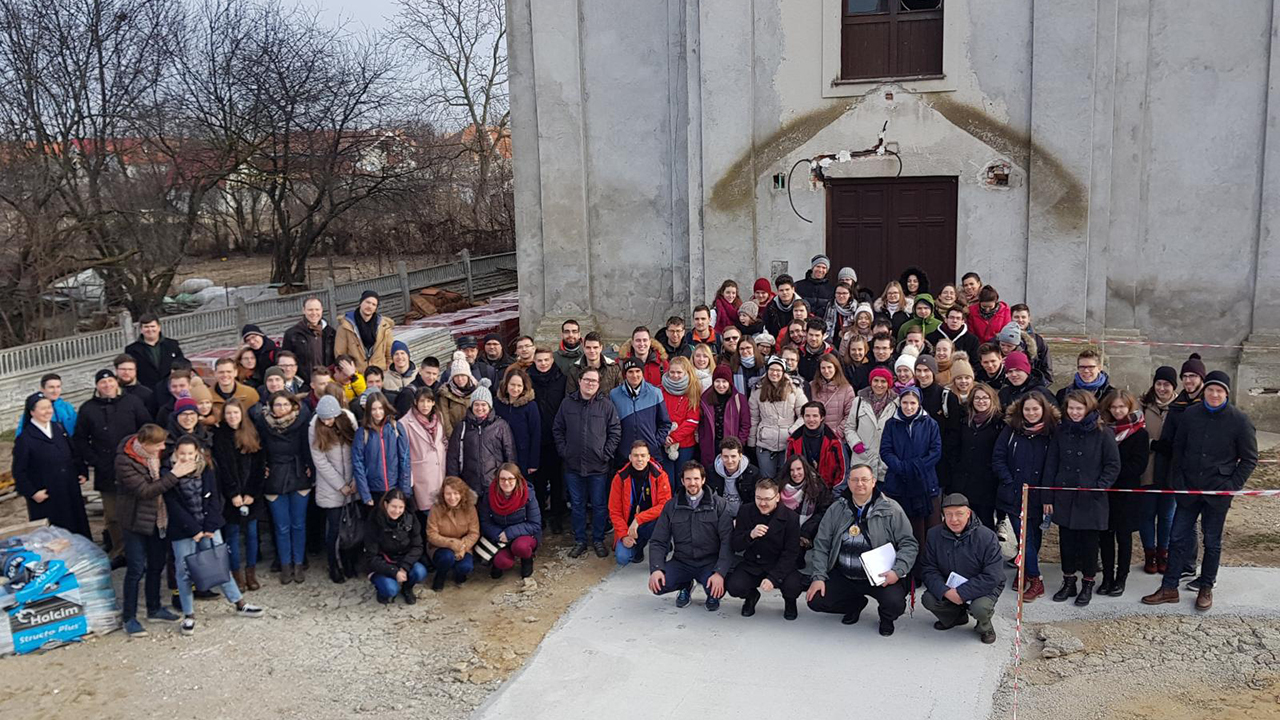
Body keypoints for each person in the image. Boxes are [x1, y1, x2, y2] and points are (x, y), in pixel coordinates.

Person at [1143, 371, 1257, 611]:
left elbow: (1248, 459)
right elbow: (1178, 449)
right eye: (1211, 390)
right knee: (1177, 537)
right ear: (1204, 391)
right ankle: (1169, 587)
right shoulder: (1191, 415)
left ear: (1226, 393)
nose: (1214, 394)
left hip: (1218, 492)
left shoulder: (1240, 420)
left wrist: (1231, 486)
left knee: (1212, 541)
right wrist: (1179, 481)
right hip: (1189, 489)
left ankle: (1206, 586)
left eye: (1219, 391)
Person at [164, 435, 265, 634]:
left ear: (197, 453)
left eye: (190, 453)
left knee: (219, 565)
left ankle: (239, 603)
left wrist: (209, 525)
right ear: (176, 453)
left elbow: (213, 498)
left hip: (209, 525)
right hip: (184, 530)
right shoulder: (168, 473)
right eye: (182, 453)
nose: (185, 457)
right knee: (183, 571)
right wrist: (194, 530)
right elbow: (173, 505)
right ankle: (188, 614)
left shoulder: (206, 469)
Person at [804, 464, 917, 636]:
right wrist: (818, 576)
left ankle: (886, 618)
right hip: (844, 574)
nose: (860, 484)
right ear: (848, 483)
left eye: (864, 479)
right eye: (855, 480)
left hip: (879, 577)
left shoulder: (891, 509)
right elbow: (822, 544)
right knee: (816, 600)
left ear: (873, 482)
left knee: (895, 604)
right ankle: (854, 605)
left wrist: (897, 570)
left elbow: (909, 543)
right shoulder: (837, 509)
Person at [1045, 390, 1121, 607]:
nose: (1075, 412)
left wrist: (1099, 487)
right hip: (1065, 496)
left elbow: (1112, 464)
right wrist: (1048, 496)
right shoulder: (1061, 431)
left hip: (1091, 499)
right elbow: (1052, 464)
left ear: (1088, 408)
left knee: (1089, 545)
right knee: (1066, 543)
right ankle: (1069, 581)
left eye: (1079, 408)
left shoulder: (1103, 432)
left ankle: (1088, 583)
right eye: (1071, 408)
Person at [74, 369, 151, 563]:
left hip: (135, 467)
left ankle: (145, 549)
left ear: (116, 383)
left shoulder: (132, 402)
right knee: (113, 515)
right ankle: (120, 551)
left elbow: (147, 429)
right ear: (97, 386)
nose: (107, 385)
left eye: (110, 381)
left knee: (140, 510)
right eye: (102, 382)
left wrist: (141, 456)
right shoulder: (87, 408)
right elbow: (81, 440)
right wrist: (95, 461)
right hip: (106, 470)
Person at [115, 425, 185, 636]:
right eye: (159, 444)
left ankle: (154, 608)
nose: (163, 448)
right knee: (136, 569)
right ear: (145, 444)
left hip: (158, 518)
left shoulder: (156, 455)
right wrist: (175, 475)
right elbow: (145, 491)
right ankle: (129, 617)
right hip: (135, 520)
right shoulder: (124, 461)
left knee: (157, 564)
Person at [991, 393, 1059, 602]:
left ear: (1043, 410)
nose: (1031, 413)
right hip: (1013, 494)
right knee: (1025, 538)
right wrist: (1009, 481)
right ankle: (1036, 580)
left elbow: (1054, 464)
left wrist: (1048, 494)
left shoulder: (1052, 432)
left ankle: (1026, 571)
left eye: (1035, 409)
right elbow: (998, 457)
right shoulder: (1011, 430)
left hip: (1039, 495)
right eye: (1027, 409)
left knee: (1034, 537)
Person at [553, 367, 622, 558]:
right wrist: (564, 451)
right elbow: (557, 429)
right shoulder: (567, 404)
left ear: (599, 385)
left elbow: (615, 431)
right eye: (587, 380)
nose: (590, 384)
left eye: (594, 381)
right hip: (573, 466)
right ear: (580, 381)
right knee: (577, 504)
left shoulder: (606, 405)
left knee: (599, 505)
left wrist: (606, 453)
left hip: (598, 466)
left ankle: (598, 540)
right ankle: (580, 540)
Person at [647, 461, 734, 611]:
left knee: (718, 589)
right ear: (682, 481)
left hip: (709, 562)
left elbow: (728, 541)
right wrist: (656, 569)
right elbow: (658, 541)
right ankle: (685, 585)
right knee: (658, 586)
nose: (692, 483)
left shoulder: (719, 504)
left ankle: (711, 591)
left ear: (703, 480)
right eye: (688, 479)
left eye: (696, 479)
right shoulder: (671, 506)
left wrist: (719, 572)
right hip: (682, 561)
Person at [920, 494, 1004, 644]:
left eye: (959, 514)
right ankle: (955, 617)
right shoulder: (934, 535)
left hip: (983, 587)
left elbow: (993, 575)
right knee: (929, 599)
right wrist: (945, 591)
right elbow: (928, 568)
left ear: (968, 513)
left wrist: (962, 593)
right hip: (950, 585)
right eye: (948, 514)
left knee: (980, 608)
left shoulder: (987, 536)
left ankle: (985, 627)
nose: (954, 520)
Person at [250, 390, 314, 584]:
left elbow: (307, 447)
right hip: (275, 477)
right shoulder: (262, 423)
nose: (282, 409)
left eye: (285, 404)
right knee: (281, 526)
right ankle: (285, 565)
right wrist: (263, 468)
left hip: (298, 474)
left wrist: (309, 468)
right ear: (270, 407)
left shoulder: (302, 421)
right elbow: (258, 450)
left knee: (299, 524)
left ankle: (298, 563)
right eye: (277, 405)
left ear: (293, 405)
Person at [879, 386, 943, 573]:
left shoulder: (930, 423)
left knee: (924, 530)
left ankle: (922, 568)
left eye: (912, 403)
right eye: (905, 403)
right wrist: (900, 467)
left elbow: (935, 451)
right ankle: (899, 566)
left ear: (919, 403)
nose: (908, 407)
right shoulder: (892, 424)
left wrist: (915, 467)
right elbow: (886, 450)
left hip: (924, 483)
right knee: (900, 527)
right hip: (898, 483)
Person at [728, 477, 806, 619]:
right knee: (734, 586)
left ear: (777, 498)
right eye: (758, 498)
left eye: (767, 499)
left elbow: (791, 553)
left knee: (793, 586)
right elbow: (735, 544)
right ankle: (751, 596)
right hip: (753, 563)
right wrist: (750, 535)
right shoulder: (745, 511)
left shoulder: (791, 517)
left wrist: (773, 578)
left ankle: (790, 601)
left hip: (778, 564)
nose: (762, 503)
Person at [12, 393, 89, 537]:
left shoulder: (58, 428)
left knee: (78, 530)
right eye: (42, 409)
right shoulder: (25, 439)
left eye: (49, 407)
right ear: (32, 412)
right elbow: (19, 471)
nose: (48, 411)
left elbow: (73, 453)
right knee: (55, 537)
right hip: (47, 496)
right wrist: (32, 493)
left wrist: (82, 471)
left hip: (69, 488)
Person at [1097, 389, 1150, 598]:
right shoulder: (1103, 430)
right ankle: (1107, 577)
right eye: (1114, 407)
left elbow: (1138, 465)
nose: (1118, 410)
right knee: (1105, 536)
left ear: (1129, 407)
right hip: (1105, 492)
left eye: (1122, 406)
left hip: (1126, 491)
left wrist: (1111, 473)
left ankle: (1121, 578)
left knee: (1124, 537)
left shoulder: (1140, 433)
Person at [212, 400, 265, 592]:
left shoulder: (253, 433)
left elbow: (259, 466)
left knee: (252, 534)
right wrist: (233, 493)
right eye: (228, 413)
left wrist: (251, 493)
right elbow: (223, 469)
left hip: (251, 495)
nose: (232, 417)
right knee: (232, 536)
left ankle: (251, 572)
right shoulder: (220, 436)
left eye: (235, 413)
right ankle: (236, 574)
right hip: (230, 496)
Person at [309, 395, 360, 583]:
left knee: (352, 527)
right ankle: (334, 564)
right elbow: (320, 461)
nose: (326, 422)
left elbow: (358, 450)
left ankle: (349, 562)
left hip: (353, 482)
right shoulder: (315, 426)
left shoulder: (348, 419)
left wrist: (355, 480)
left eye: (329, 419)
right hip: (332, 486)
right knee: (335, 529)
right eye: (323, 419)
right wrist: (340, 485)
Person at [1139, 366, 1179, 575]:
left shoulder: (1181, 407)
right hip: (1147, 468)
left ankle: (1164, 552)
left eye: (1166, 384)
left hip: (1170, 470)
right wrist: (1152, 443)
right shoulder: (1143, 405)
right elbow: (1133, 432)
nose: (1162, 388)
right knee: (1146, 514)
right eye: (1159, 384)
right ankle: (1149, 553)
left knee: (1167, 515)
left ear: (1173, 387)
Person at [446, 379, 517, 495]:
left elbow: (510, 454)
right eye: (476, 404)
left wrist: (509, 479)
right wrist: (454, 482)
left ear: (489, 406)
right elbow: (453, 457)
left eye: (483, 404)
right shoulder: (462, 426)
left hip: (494, 483)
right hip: (469, 484)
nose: (480, 408)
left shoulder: (501, 426)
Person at [948, 384, 1004, 530]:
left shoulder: (999, 423)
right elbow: (956, 446)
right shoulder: (965, 421)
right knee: (964, 522)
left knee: (985, 522)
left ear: (992, 400)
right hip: (964, 480)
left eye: (985, 398)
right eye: (977, 398)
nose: (981, 401)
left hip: (987, 482)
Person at [609, 442, 673, 565]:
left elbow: (665, 505)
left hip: (651, 522)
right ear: (630, 457)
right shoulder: (620, 478)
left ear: (649, 457)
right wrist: (623, 535)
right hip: (629, 526)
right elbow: (614, 511)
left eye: (643, 456)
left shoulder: (660, 475)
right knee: (623, 558)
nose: (639, 459)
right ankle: (638, 546)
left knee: (662, 524)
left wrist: (638, 519)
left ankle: (661, 543)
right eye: (636, 455)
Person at [399, 387, 448, 545]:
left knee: (441, 515)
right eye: (421, 401)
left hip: (441, 471)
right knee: (428, 516)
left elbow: (443, 440)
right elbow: (404, 454)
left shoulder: (438, 417)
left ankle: (439, 550)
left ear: (433, 402)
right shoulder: (405, 423)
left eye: (428, 401)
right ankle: (431, 551)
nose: (425, 405)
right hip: (422, 476)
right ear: (415, 402)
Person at [528, 348, 568, 533]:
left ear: (552, 360)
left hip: (556, 439)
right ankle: (540, 517)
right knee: (538, 482)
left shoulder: (561, 379)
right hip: (536, 440)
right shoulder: (528, 380)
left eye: (546, 360)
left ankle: (557, 516)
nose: (543, 363)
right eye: (539, 360)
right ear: (534, 361)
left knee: (557, 480)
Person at [479, 464, 543, 581]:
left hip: (524, 534)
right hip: (499, 535)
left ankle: (527, 560)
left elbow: (535, 524)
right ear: (497, 480)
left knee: (520, 547)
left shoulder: (527, 494)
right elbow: (485, 521)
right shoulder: (489, 495)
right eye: (502, 479)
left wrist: (509, 533)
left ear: (517, 479)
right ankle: (498, 560)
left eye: (510, 479)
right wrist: (498, 534)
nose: (506, 483)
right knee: (503, 562)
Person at [364, 488, 427, 604]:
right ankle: (382, 590)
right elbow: (371, 557)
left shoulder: (411, 518)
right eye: (393, 506)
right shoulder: (374, 520)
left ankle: (407, 588)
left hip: (403, 558)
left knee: (420, 571)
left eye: (400, 507)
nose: (397, 511)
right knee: (390, 590)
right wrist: (393, 572)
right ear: (385, 504)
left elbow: (418, 546)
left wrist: (404, 567)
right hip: (383, 561)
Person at [749, 356, 807, 479]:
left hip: (788, 440)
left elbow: (804, 414)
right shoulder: (757, 390)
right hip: (765, 441)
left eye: (778, 370)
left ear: (783, 372)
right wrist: (751, 442)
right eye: (771, 369)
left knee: (785, 478)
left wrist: (792, 430)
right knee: (767, 478)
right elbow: (753, 418)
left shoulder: (794, 389)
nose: (774, 373)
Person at [610, 356, 672, 469]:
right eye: (630, 372)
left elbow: (665, 423)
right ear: (625, 374)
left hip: (650, 454)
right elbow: (610, 424)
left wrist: (655, 443)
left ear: (642, 372)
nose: (634, 375)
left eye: (638, 371)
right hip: (624, 454)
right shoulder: (614, 395)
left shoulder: (655, 393)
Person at [352, 392, 412, 508]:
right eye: (373, 409)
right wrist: (365, 494)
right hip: (373, 489)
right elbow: (358, 464)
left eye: (380, 408)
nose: (378, 412)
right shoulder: (362, 432)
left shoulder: (395, 427)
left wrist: (404, 491)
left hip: (394, 487)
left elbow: (404, 459)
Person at [427, 476, 481, 590]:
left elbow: (474, 532)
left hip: (463, 546)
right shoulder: (436, 508)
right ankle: (440, 576)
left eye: (456, 493)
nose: (452, 497)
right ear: (443, 494)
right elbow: (431, 534)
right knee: (447, 557)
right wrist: (451, 543)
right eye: (448, 494)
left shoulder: (470, 508)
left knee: (466, 567)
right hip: (440, 547)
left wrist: (463, 547)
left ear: (462, 494)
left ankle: (459, 575)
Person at [846, 367, 897, 480]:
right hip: (863, 459)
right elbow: (849, 427)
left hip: (885, 463)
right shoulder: (858, 401)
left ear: (889, 383)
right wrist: (855, 444)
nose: (879, 385)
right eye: (876, 380)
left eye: (883, 381)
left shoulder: (896, 404)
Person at [697, 364, 751, 468]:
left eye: (724, 382)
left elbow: (745, 424)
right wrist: (702, 441)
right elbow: (701, 423)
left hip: (731, 446)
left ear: (730, 383)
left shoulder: (739, 399)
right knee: (711, 472)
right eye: (717, 381)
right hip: (711, 444)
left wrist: (739, 443)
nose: (721, 385)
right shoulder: (705, 399)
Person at [660, 357, 702, 486]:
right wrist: (664, 437)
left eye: (679, 373)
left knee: (682, 479)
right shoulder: (660, 390)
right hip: (663, 443)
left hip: (685, 444)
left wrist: (673, 437)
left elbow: (692, 421)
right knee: (666, 479)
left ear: (686, 373)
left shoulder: (693, 391)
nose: (675, 376)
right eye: (672, 372)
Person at [494, 366, 542, 480]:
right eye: (512, 384)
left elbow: (536, 434)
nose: (515, 389)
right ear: (506, 385)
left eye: (519, 385)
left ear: (524, 387)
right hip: (501, 455)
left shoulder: (530, 406)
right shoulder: (497, 403)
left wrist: (533, 462)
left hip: (522, 456)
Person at [786, 401, 847, 489]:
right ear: (803, 417)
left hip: (828, 489)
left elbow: (843, 472)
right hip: (801, 489)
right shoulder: (793, 440)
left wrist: (835, 492)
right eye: (807, 416)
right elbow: (788, 468)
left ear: (821, 417)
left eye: (815, 416)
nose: (811, 419)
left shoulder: (834, 441)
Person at [335, 290, 395, 373]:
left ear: (376, 308)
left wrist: (389, 370)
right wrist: (351, 373)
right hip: (356, 374)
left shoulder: (384, 327)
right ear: (360, 303)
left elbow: (390, 352)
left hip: (379, 374)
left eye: (374, 304)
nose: (370, 306)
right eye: (367, 302)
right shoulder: (345, 326)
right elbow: (340, 354)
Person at [125, 314, 186, 390]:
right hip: (147, 390)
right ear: (141, 329)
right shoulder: (132, 350)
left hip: (171, 389)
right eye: (146, 327)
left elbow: (182, 364)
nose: (150, 330)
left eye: (152, 326)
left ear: (159, 327)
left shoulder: (172, 345)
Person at [282, 296, 336, 382]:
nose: (314, 313)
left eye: (317, 309)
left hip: (327, 380)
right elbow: (285, 360)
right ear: (304, 310)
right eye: (310, 310)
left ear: (322, 310)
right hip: (304, 383)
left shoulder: (331, 333)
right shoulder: (292, 334)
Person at [707, 436, 761, 517]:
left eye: (733, 456)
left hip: (744, 516)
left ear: (740, 456)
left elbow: (753, 501)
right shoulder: (711, 471)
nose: (729, 461)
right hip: (720, 516)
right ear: (721, 456)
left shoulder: (753, 473)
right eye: (725, 456)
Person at [565, 332, 622, 396]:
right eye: (588, 347)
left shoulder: (613, 368)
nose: (592, 351)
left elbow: (620, 396)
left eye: (595, 347)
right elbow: (570, 397)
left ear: (601, 348)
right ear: (583, 348)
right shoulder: (574, 370)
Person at [1009, 304, 1053, 385]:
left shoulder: (1039, 341)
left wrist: (1040, 387)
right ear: (1010, 318)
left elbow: (1047, 369)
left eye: (1023, 317)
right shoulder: (1002, 340)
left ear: (1029, 319)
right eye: (1016, 317)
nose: (1020, 320)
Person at [437, 351, 477, 429]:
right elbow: (445, 422)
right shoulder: (445, 394)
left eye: (462, 375)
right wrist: (454, 438)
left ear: (468, 376)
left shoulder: (477, 391)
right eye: (456, 376)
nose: (460, 379)